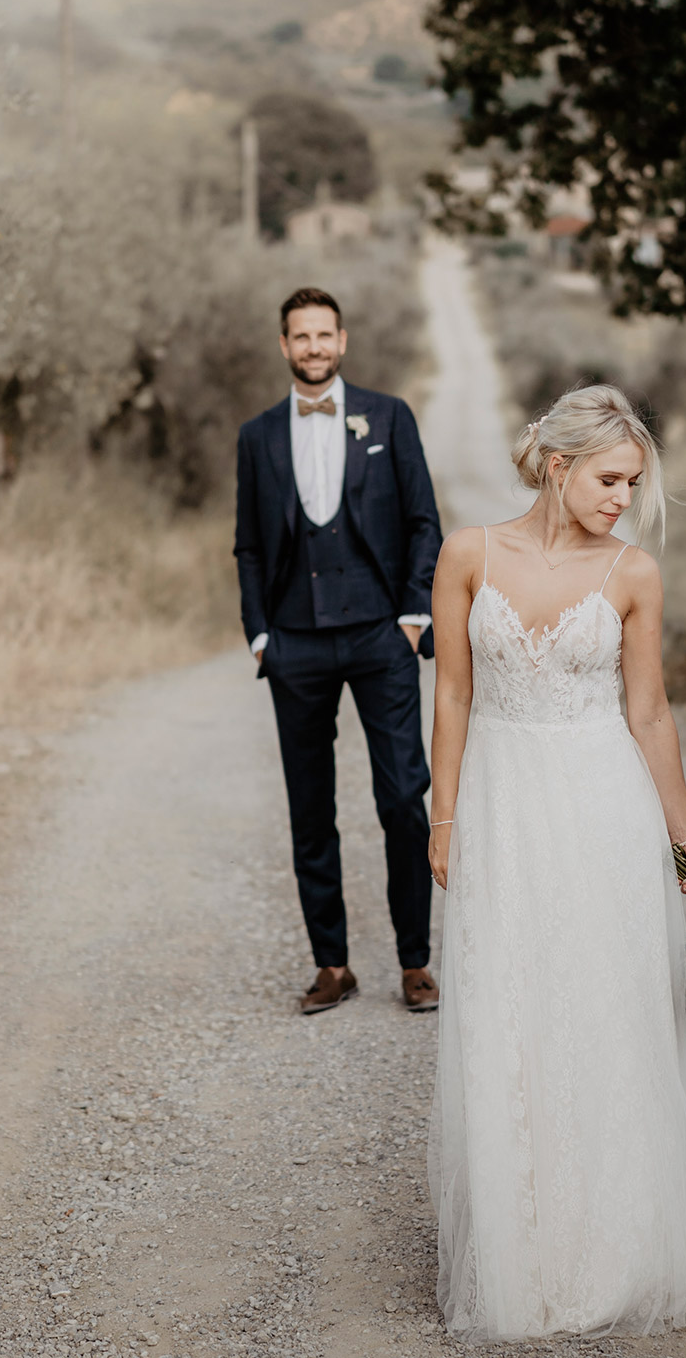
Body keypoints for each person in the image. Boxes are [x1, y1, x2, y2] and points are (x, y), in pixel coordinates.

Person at [426, 384, 686, 1340]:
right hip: (503, 807)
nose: (623, 497)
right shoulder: (468, 554)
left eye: (633, 482)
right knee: (512, 1012)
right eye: (609, 478)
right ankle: (528, 1247)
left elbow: (650, 714)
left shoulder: (634, 574)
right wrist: (445, 816)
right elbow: (454, 698)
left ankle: (622, 1242)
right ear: (558, 464)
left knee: (608, 1012)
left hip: (601, 811)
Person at [234, 287, 443, 1015]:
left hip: (382, 635)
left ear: (343, 341)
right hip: (294, 645)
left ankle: (415, 961)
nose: (314, 347)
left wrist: (415, 616)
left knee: (402, 802)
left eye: (325, 335)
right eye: (301, 336)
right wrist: (262, 637)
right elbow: (251, 546)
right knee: (310, 810)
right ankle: (333, 964)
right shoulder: (257, 436)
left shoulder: (389, 417)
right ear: (284, 345)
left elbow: (423, 521)